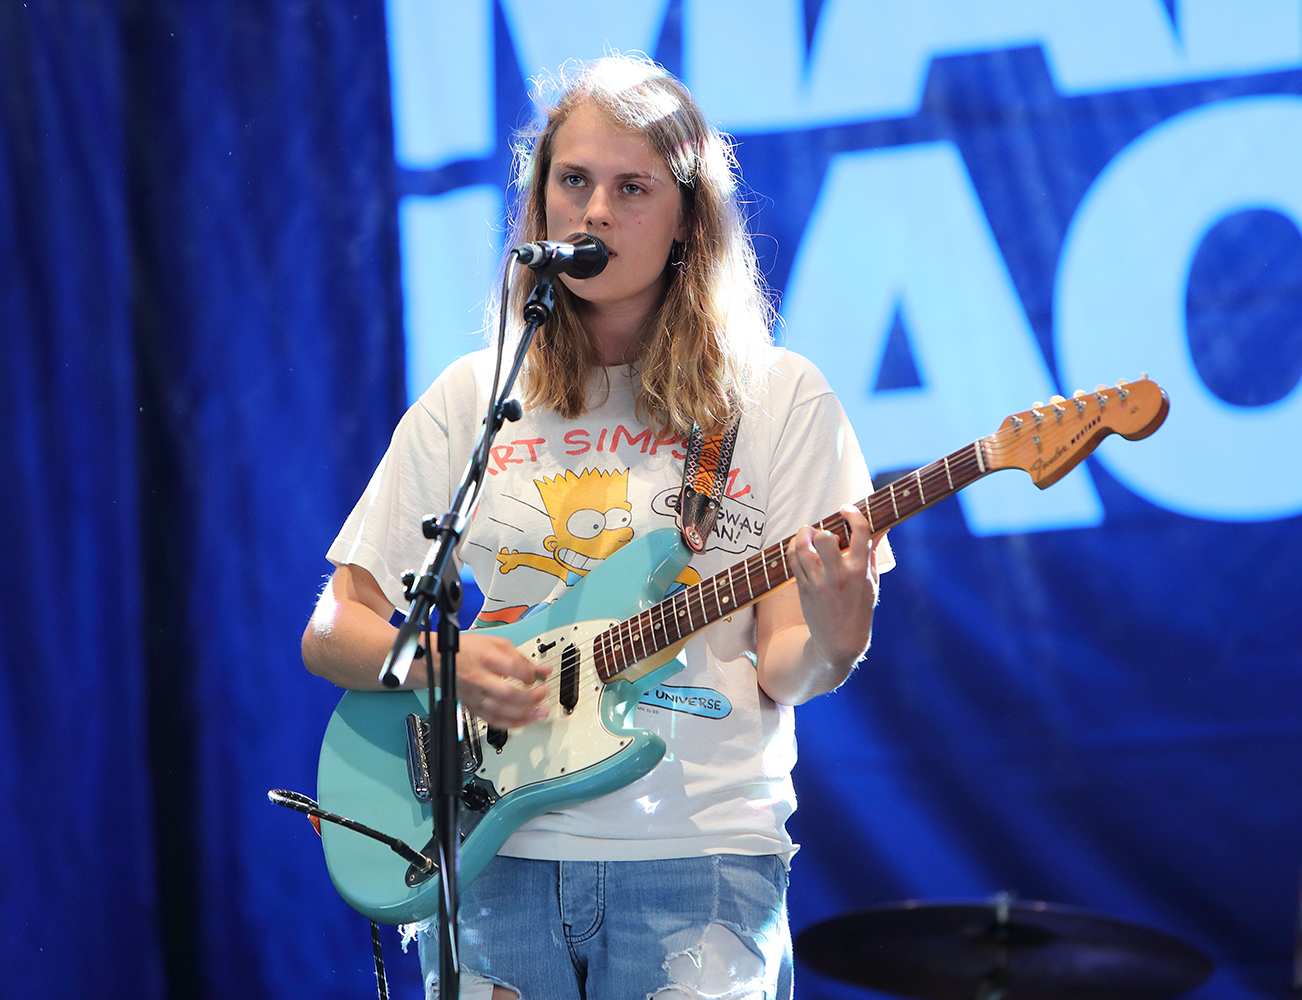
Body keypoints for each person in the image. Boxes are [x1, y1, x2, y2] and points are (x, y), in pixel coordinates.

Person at [302, 55, 893, 1000]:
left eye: (632, 188)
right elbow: (336, 627)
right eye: (573, 182)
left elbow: (791, 668)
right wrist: (433, 663)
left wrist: (842, 621)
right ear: (538, 206)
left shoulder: (776, 399)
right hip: (493, 855)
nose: (596, 213)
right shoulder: (477, 397)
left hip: (699, 857)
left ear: (689, 221)